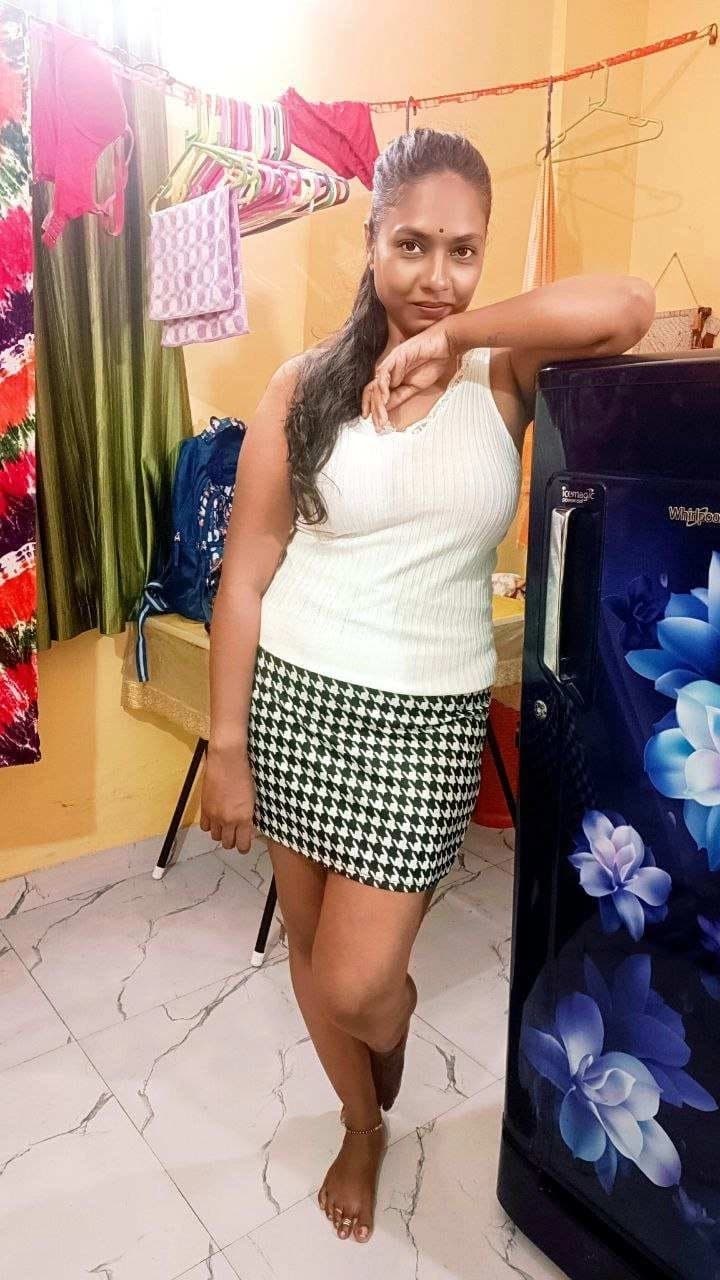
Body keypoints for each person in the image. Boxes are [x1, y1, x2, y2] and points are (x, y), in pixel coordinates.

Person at [199, 128, 655, 1245]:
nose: (435, 274)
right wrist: (226, 746)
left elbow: (628, 307)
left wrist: (458, 334)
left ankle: (382, 1038)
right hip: (295, 697)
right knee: (312, 953)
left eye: (462, 250)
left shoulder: (502, 374)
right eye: (411, 245)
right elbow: (247, 572)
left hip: (425, 717)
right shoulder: (305, 384)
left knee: (360, 981)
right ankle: (362, 1122)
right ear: (370, 241)